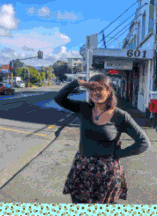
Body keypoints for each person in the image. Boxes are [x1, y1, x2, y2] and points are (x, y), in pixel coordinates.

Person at [54, 74, 150, 204]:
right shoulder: (84, 109)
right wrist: (78, 83)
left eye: (99, 89)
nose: (95, 93)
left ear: (109, 90)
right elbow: (59, 99)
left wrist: (118, 154)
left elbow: (143, 142)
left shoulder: (120, 116)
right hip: (83, 169)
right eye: (92, 89)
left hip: (107, 174)